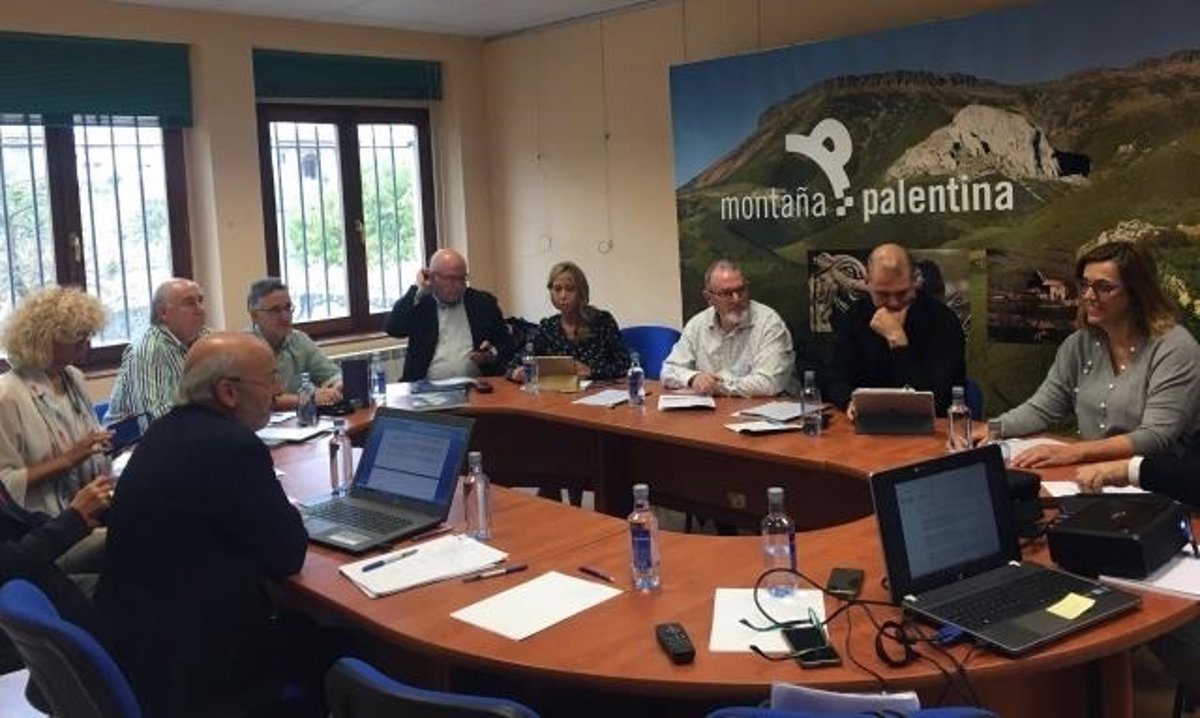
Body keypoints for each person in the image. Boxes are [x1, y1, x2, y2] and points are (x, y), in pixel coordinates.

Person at [97, 332, 327, 717]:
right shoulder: (232, 447)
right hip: (199, 669)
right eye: (270, 379)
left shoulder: (165, 430)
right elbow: (288, 554)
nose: (278, 390)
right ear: (228, 392)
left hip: (140, 648)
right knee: (341, 645)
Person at [993, 240, 1200, 468]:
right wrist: (992, 429)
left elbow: (1156, 436)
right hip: (1095, 473)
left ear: (1137, 293)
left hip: (1157, 479)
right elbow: (1042, 409)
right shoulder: (1079, 344)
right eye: (1085, 285)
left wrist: (1074, 452)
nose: (1089, 295)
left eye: (1104, 287)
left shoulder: (1174, 348)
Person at [0, 286, 113, 520]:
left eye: (88, 336)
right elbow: (5, 485)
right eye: (78, 339)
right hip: (41, 525)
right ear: (46, 340)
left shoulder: (73, 377)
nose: (85, 346)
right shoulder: (8, 395)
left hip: (91, 510)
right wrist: (66, 460)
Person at [826, 243, 966, 415]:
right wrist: (849, 401)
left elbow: (938, 398)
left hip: (928, 424)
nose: (893, 302)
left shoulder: (942, 320)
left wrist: (898, 341)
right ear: (868, 283)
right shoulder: (855, 315)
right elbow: (834, 377)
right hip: (866, 420)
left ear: (915, 281)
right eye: (883, 294)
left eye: (901, 293)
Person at [660, 259, 795, 397]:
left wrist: (717, 384)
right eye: (726, 293)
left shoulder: (769, 323)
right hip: (718, 407)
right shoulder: (697, 325)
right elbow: (669, 371)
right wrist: (693, 378)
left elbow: (769, 384)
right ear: (709, 298)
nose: (736, 299)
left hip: (771, 405)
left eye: (741, 290)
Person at [384, 248, 513, 381]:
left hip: (475, 386)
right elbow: (393, 329)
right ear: (432, 277)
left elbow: (506, 343)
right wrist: (416, 288)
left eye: (462, 278)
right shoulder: (420, 303)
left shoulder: (482, 302)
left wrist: (492, 354)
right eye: (451, 279)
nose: (458, 285)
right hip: (426, 388)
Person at [506, 261, 629, 381]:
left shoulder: (602, 321)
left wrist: (593, 371)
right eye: (557, 289)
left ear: (581, 292)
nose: (563, 295)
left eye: (570, 289)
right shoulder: (548, 327)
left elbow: (625, 364)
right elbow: (515, 362)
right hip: (557, 393)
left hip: (597, 391)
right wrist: (516, 372)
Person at [108, 278, 208, 422]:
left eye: (200, 301)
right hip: (135, 434)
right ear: (163, 313)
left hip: (191, 424)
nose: (200, 309)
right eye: (189, 303)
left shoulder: (207, 338)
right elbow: (155, 420)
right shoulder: (149, 349)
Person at [246, 277, 342, 410]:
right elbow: (260, 399)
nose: (285, 316)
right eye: (275, 310)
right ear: (254, 315)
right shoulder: (244, 348)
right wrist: (309, 398)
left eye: (288, 308)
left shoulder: (299, 340)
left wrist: (335, 389)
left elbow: (333, 376)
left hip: (301, 419)